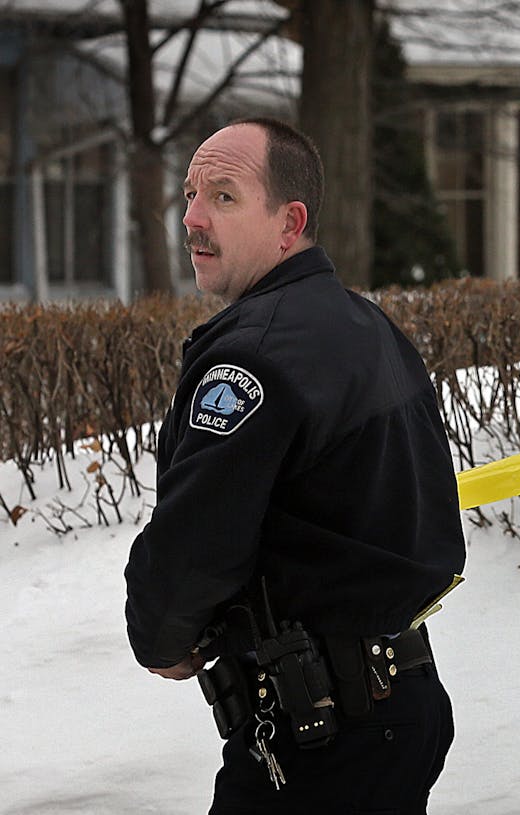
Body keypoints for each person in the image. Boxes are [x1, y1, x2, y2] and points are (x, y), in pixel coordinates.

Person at [124, 117, 466, 813]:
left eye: (223, 197)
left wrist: (162, 633)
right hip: (401, 703)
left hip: (326, 731)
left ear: (290, 221)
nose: (192, 217)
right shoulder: (368, 326)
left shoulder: (251, 355)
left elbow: (198, 539)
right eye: (189, 194)